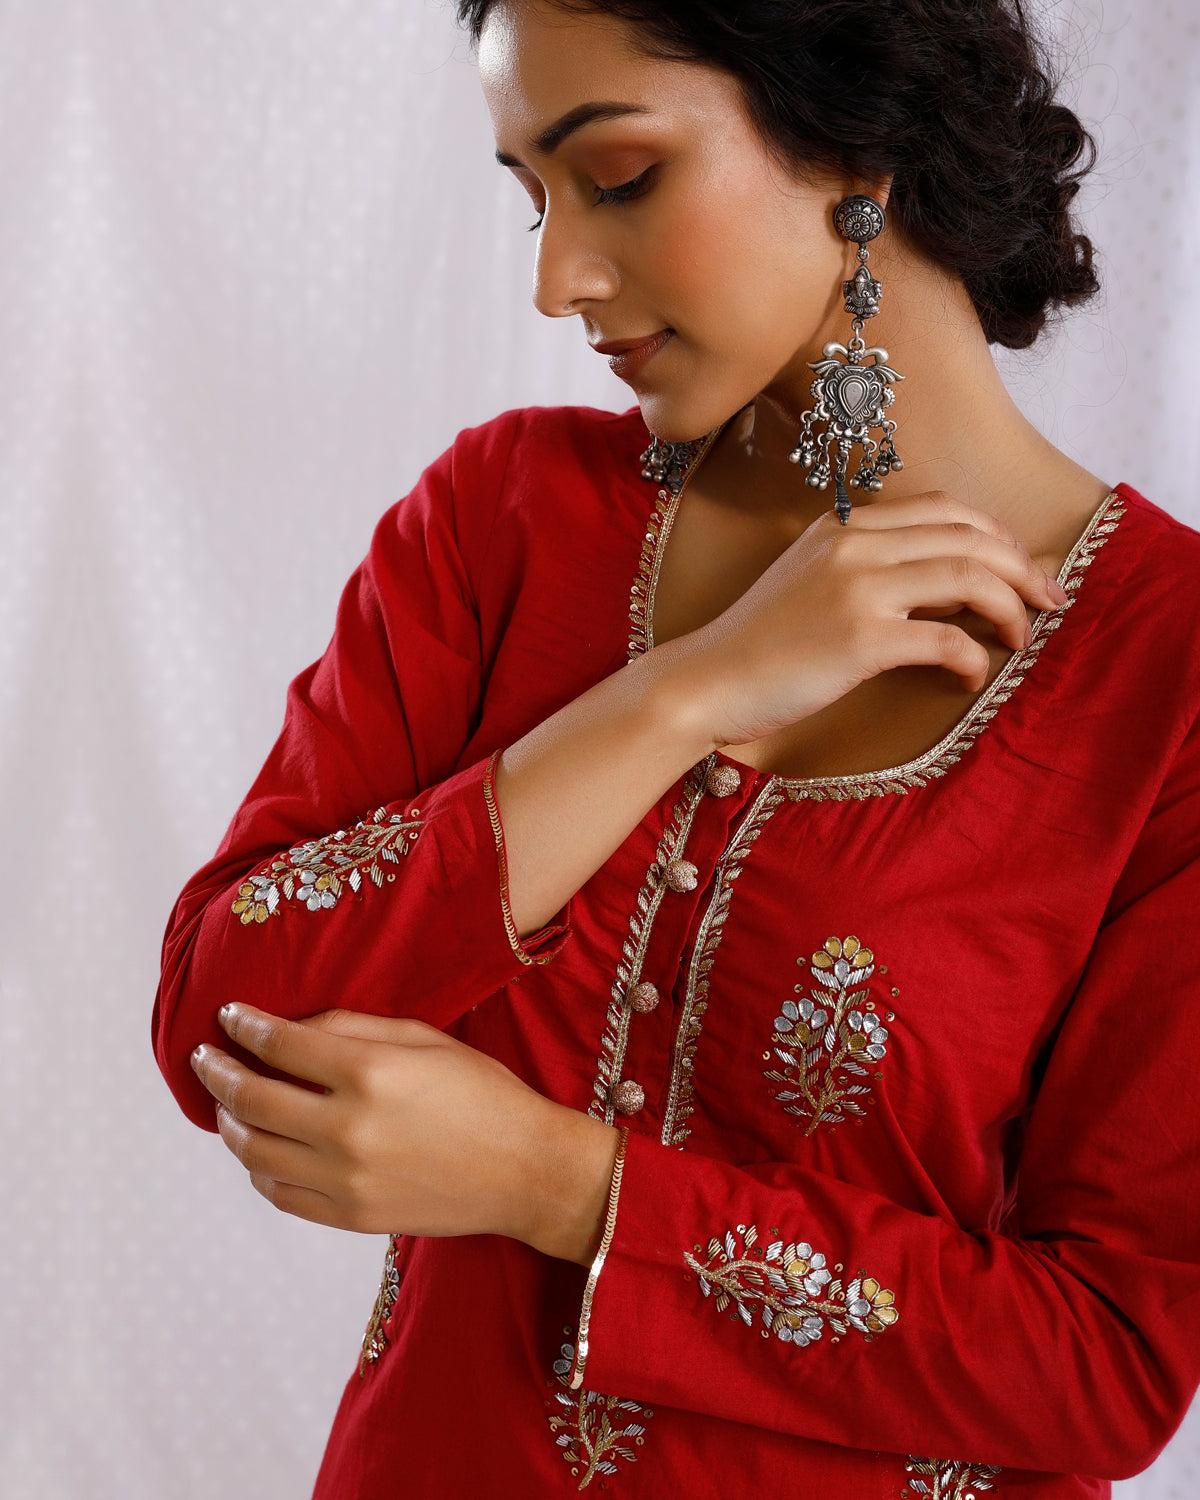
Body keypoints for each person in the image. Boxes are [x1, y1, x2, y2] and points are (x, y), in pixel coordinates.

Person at [154, 1, 1200, 1495]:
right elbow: (222, 1017)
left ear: (863, 141)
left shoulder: (1168, 674)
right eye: (533, 198)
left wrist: (558, 1186)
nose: (556, 279)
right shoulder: (500, 524)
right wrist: (683, 695)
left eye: (620, 177)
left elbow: (1106, 1362)